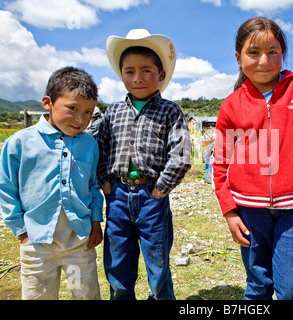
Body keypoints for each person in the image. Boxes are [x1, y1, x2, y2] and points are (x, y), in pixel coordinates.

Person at [213, 17, 293, 300]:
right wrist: (229, 210)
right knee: (257, 283)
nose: (263, 60)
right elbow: (220, 162)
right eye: (253, 52)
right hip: (248, 210)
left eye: (273, 51)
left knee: (290, 287)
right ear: (238, 57)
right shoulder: (231, 105)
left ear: (283, 53)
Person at [97, 29, 191, 300]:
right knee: (117, 266)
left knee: (158, 266)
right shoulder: (112, 112)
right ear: (121, 74)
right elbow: (99, 150)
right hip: (116, 197)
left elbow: (181, 155)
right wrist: (105, 183)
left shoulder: (169, 111)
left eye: (146, 70)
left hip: (152, 198)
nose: (137, 77)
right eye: (129, 71)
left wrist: (160, 189)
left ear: (160, 75)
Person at [0, 66, 104, 300]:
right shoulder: (20, 143)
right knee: (40, 296)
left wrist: (96, 221)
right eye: (73, 108)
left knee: (85, 294)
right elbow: (6, 189)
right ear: (48, 102)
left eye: (89, 112)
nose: (81, 119)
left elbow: (93, 185)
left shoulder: (89, 145)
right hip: (37, 245)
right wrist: (22, 231)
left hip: (78, 243)